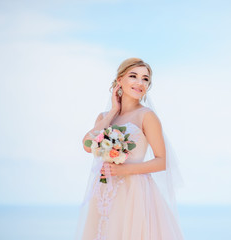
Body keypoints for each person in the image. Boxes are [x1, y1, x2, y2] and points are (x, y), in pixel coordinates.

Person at [74, 58, 185, 240]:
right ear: (120, 80)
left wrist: (123, 169)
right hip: (104, 190)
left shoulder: (147, 116)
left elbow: (161, 161)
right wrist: (112, 112)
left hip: (134, 192)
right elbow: (87, 144)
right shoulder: (104, 117)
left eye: (145, 79)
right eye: (133, 76)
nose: (140, 83)